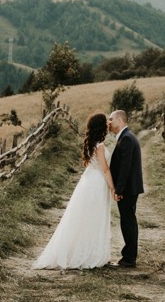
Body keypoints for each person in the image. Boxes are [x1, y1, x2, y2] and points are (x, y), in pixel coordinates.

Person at [32, 112, 116, 269]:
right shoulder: (100, 146)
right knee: (94, 217)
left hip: (88, 181)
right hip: (97, 183)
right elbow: (105, 169)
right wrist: (113, 187)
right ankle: (90, 254)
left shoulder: (92, 143)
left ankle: (85, 250)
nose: (108, 124)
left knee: (86, 217)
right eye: (106, 122)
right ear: (101, 126)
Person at [108, 109, 144, 268]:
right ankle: (129, 256)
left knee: (128, 222)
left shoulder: (127, 139)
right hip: (129, 188)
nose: (109, 123)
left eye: (111, 119)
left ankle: (129, 258)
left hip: (128, 189)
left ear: (119, 121)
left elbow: (125, 168)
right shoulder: (126, 137)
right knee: (128, 221)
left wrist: (119, 190)